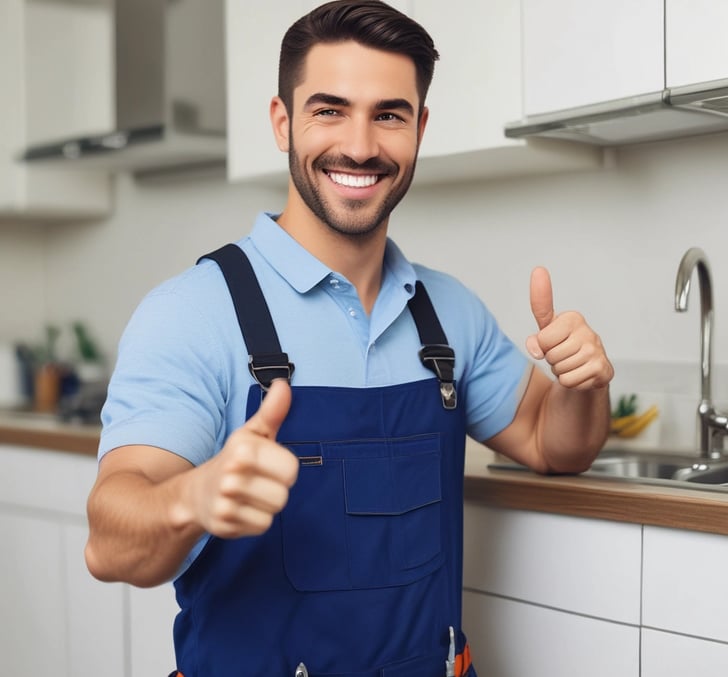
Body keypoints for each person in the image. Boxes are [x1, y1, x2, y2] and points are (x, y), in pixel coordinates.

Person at [85, 1, 614, 675]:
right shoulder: (192, 313)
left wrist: (584, 385)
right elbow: (109, 540)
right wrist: (191, 495)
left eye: (388, 114)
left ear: (419, 128)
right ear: (283, 121)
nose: (360, 146)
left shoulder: (447, 311)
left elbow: (551, 442)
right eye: (329, 110)